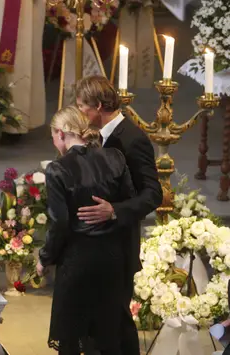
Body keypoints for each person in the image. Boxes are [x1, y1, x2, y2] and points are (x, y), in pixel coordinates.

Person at [37, 106, 136, 355]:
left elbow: (59, 224)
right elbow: (130, 203)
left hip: (77, 262)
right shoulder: (115, 158)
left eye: (52, 136)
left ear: (60, 133)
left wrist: (44, 259)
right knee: (108, 337)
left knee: (71, 338)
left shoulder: (58, 169)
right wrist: (112, 211)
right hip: (113, 260)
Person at [74, 75, 162, 355]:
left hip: (119, 246)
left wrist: (115, 211)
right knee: (95, 322)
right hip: (95, 246)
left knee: (117, 323)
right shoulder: (94, 137)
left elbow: (153, 193)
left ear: (99, 105)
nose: (80, 113)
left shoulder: (133, 138)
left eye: (82, 107)